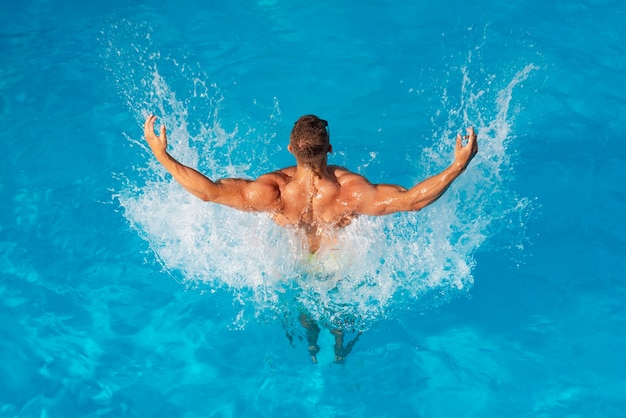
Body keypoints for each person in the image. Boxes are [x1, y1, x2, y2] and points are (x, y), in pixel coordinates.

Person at [143, 114, 478, 362]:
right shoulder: (351, 193)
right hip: (336, 262)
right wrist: (457, 166)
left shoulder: (271, 191)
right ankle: (337, 348)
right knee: (339, 311)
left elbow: (209, 193)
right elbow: (413, 200)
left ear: (290, 149)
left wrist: (163, 155)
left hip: (292, 260)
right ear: (330, 148)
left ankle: (312, 346)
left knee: (303, 308)